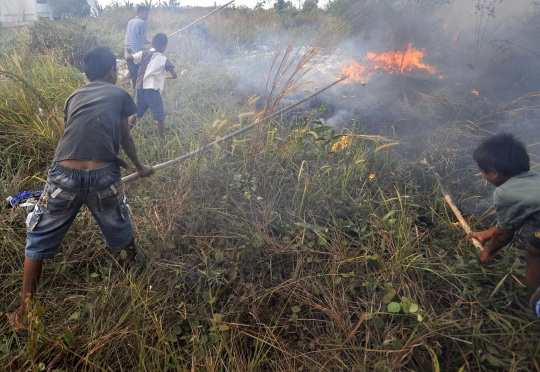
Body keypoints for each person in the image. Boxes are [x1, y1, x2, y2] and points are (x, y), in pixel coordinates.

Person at [11, 46, 154, 335]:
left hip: (64, 174)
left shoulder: (73, 96)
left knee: (37, 240)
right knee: (119, 223)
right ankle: (135, 272)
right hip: (103, 175)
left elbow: (74, 131)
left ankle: (24, 316)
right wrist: (139, 167)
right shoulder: (119, 94)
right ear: (111, 72)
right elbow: (125, 134)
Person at [471, 133, 540, 315]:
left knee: (535, 244)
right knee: (535, 244)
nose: (481, 174)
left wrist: (488, 252)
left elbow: (504, 235)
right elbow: (518, 219)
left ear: (493, 173)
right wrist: (488, 233)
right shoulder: (533, 178)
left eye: (481, 171)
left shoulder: (504, 193)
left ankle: (528, 304)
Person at [124, 33, 177, 137]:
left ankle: (125, 134)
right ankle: (161, 138)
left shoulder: (143, 53)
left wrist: (126, 50)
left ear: (152, 44)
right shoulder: (164, 59)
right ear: (163, 47)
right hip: (152, 90)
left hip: (139, 88)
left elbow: (127, 58)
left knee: (136, 113)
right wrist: (167, 77)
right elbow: (174, 75)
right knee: (160, 117)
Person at [125, 5, 151, 89]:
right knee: (140, 74)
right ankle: (139, 93)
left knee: (133, 74)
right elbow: (143, 39)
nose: (147, 16)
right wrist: (152, 42)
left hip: (127, 51)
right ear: (140, 13)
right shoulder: (142, 23)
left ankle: (135, 92)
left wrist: (143, 48)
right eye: (146, 14)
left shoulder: (130, 21)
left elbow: (134, 37)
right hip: (136, 52)